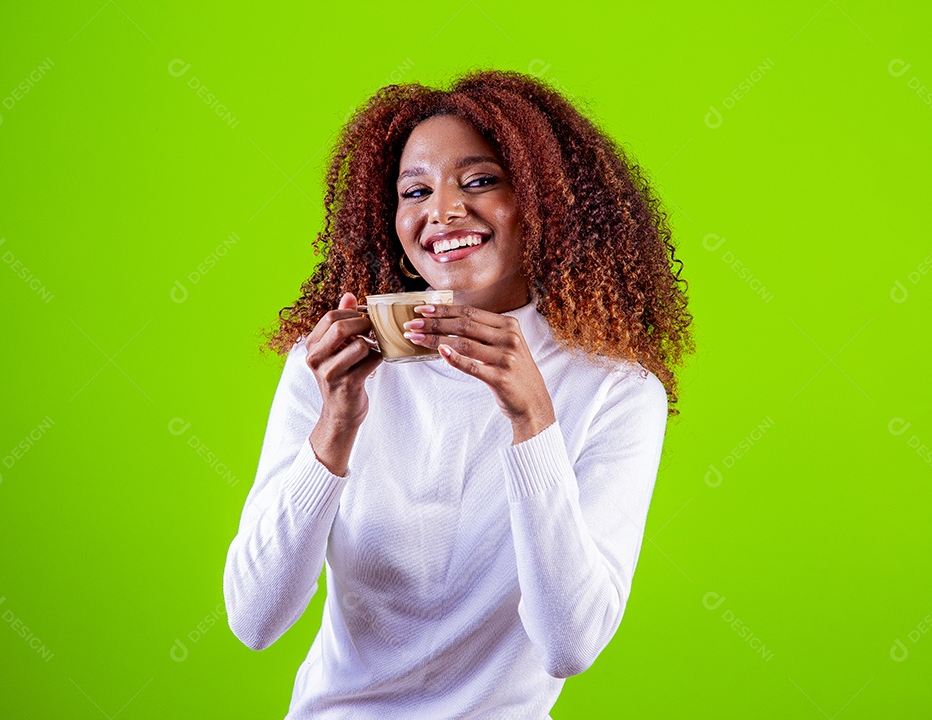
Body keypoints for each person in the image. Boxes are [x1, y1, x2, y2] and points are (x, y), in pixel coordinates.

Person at [223, 69, 695, 719]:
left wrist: (533, 420)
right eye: (415, 190)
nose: (441, 211)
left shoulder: (616, 391)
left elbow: (569, 644)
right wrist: (334, 426)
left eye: (478, 181)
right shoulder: (333, 364)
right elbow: (254, 620)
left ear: (543, 197)